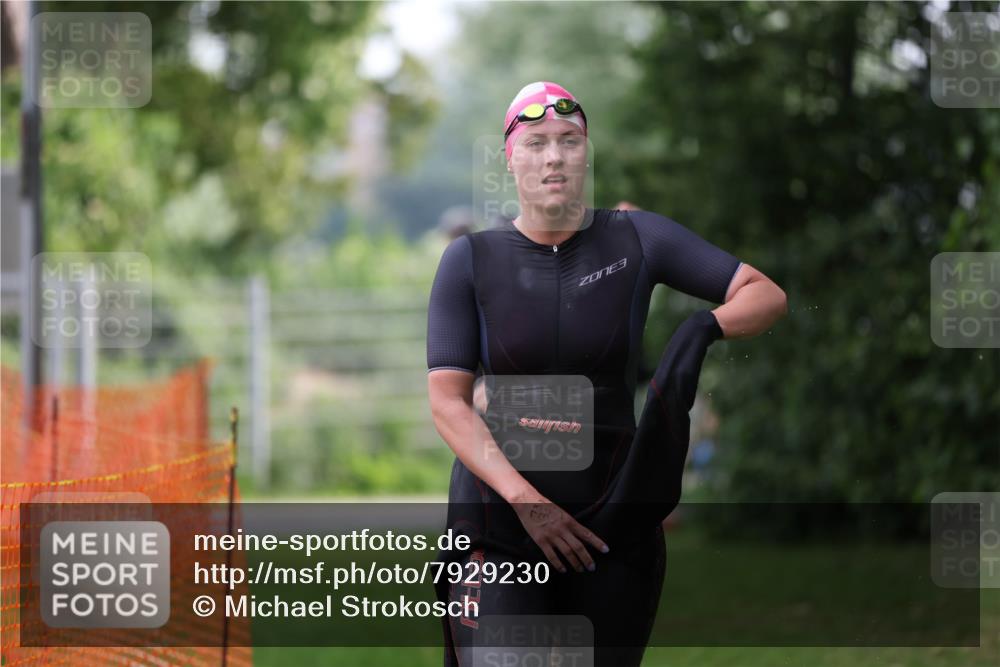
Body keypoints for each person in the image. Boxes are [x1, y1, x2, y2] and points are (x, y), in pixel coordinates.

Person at [426, 81, 787, 666]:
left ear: (586, 152)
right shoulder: (470, 259)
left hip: (612, 526)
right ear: (509, 158)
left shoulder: (638, 239)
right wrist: (526, 501)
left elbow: (763, 293)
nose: (554, 156)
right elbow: (448, 403)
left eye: (569, 141)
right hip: (500, 527)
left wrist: (700, 329)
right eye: (537, 142)